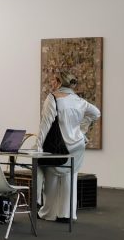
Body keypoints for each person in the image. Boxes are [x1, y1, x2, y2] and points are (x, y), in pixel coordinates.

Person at [36, 70, 100, 222]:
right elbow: (96, 113)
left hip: (58, 145)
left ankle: (49, 213)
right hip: (77, 145)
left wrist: (38, 146)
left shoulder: (53, 98)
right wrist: (82, 131)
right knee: (70, 177)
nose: (51, 82)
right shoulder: (79, 101)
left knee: (51, 178)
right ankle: (67, 214)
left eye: (53, 80)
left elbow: (45, 124)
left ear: (59, 82)